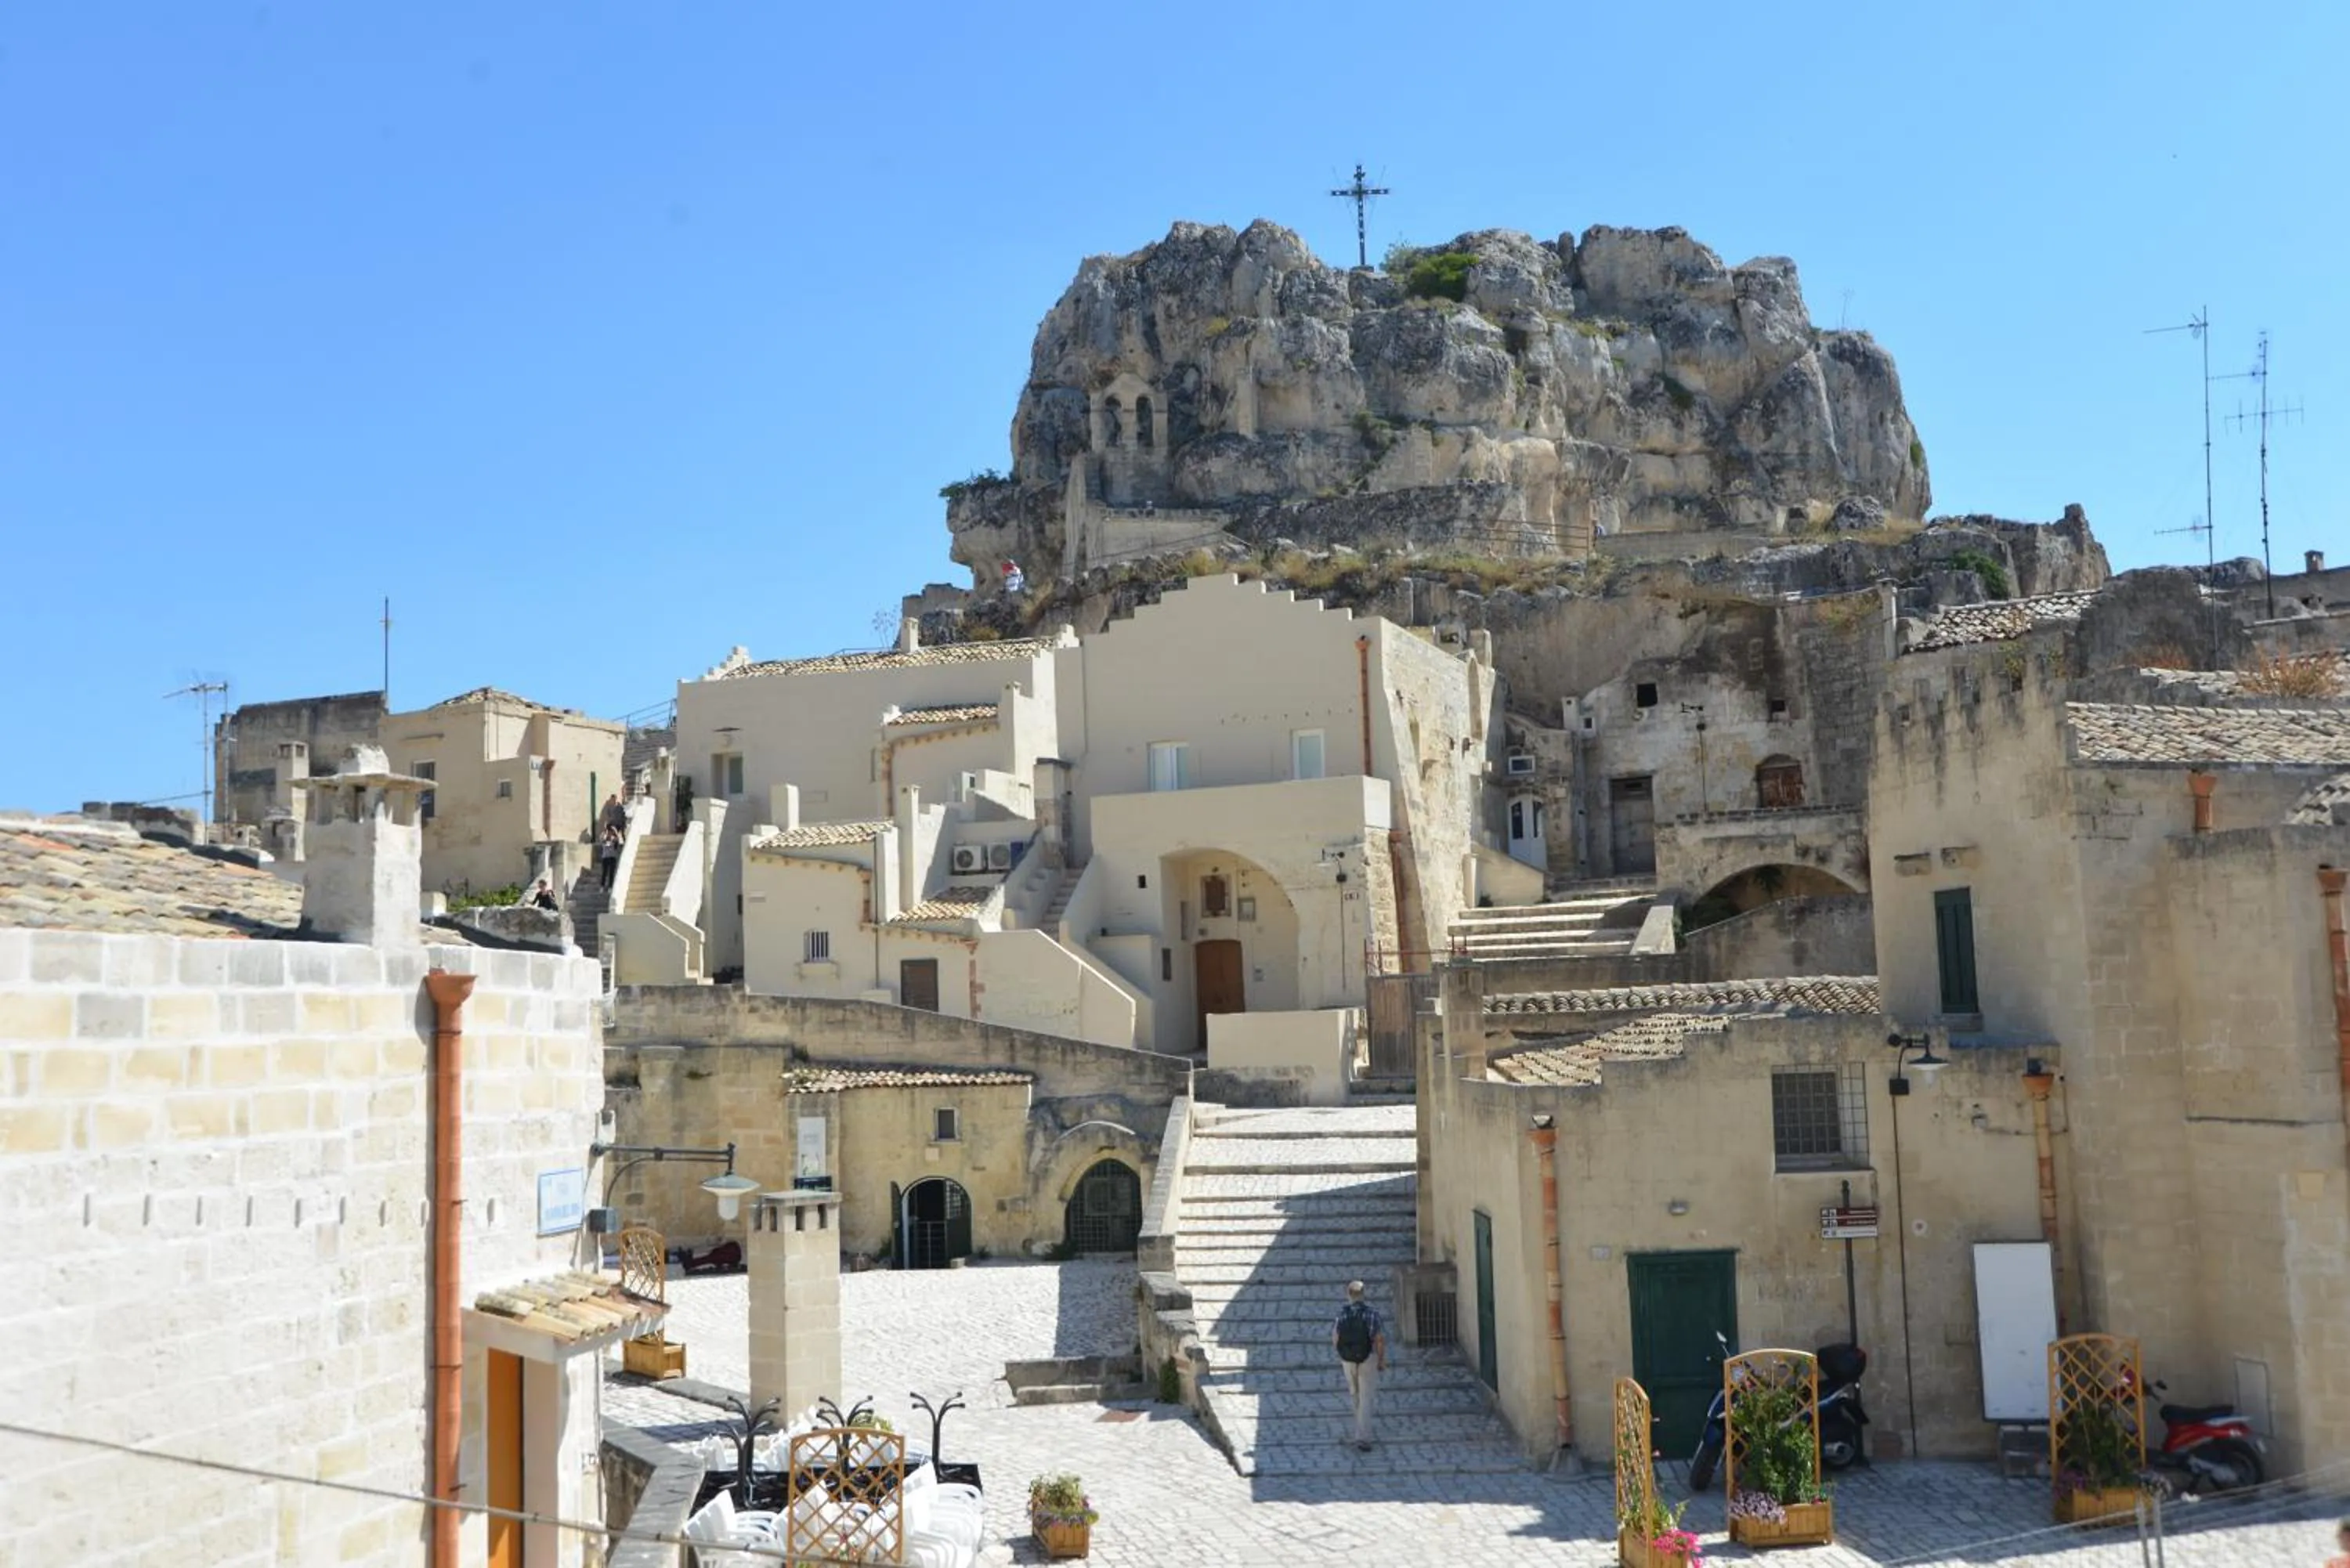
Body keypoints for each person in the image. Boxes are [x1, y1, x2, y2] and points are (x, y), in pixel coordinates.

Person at [1332, 1279, 1386, 1451]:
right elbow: (1379, 1339)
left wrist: (1343, 1354)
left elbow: (1335, 1338)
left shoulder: (1342, 1314)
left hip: (1348, 1360)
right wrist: (1381, 1359)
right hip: (1367, 1359)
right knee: (1366, 1397)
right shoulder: (1372, 1314)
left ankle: (1360, 1429)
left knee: (1355, 1394)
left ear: (1348, 1295)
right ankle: (1363, 1438)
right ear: (1363, 1295)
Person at [598, 824, 623, 891]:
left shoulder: (614, 838)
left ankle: (610, 887)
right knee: (604, 873)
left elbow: (620, 842)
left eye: (611, 831)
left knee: (611, 873)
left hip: (612, 857)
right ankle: (602, 886)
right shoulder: (604, 837)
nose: (610, 833)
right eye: (609, 831)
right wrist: (605, 830)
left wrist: (616, 832)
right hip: (605, 857)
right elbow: (601, 839)